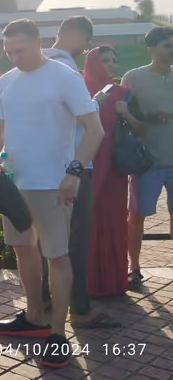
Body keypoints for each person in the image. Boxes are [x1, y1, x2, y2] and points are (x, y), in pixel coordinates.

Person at [0, 19, 103, 369]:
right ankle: (35, 314)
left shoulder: (65, 77)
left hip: (53, 184)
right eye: (8, 51)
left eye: (19, 50)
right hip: (16, 186)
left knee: (57, 256)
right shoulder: (6, 81)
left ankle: (57, 333)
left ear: (39, 43)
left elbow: (94, 131)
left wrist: (74, 172)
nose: (14, 57)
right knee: (24, 250)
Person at [41, 16, 119, 328]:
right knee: (76, 242)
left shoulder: (35, 67)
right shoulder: (65, 71)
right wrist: (97, 102)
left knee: (49, 241)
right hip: (73, 165)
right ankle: (80, 310)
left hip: (43, 168)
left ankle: (47, 303)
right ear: (74, 35)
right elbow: (85, 121)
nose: (86, 47)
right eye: (86, 40)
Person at [83, 46, 144, 298]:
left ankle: (112, 281)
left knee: (113, 219)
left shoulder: (123, 93)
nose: (110, 65)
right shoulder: (78, 89)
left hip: (114, 170)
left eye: (113, 60)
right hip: (85, 163)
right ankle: (84, 283)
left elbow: (141, 130)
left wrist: (126, 113)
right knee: (86, 219)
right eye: (104, 60)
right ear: (92, 62)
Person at [123, 26, 173, 289]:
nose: (172, 50)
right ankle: (135, 268)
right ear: (151, 48)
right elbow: (121, 115)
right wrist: (147, 117)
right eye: (167, 45)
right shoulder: (133, 78)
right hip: (146, 161)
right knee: (137, 215)